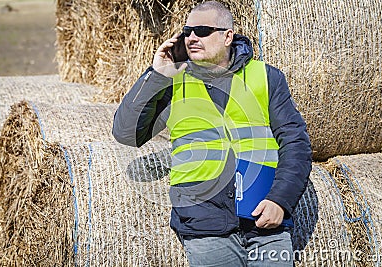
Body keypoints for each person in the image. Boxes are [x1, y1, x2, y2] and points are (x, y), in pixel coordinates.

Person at [112, 1, 312, 266]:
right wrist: (156, 75)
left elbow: (296, 144)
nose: (193, 38)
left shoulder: (267, 77)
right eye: (188, 31)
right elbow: (126, 133)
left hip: (266, 222)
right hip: (204, 224)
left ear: (228, 36)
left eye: (203, 30)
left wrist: (280, 200)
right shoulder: (172, 82)